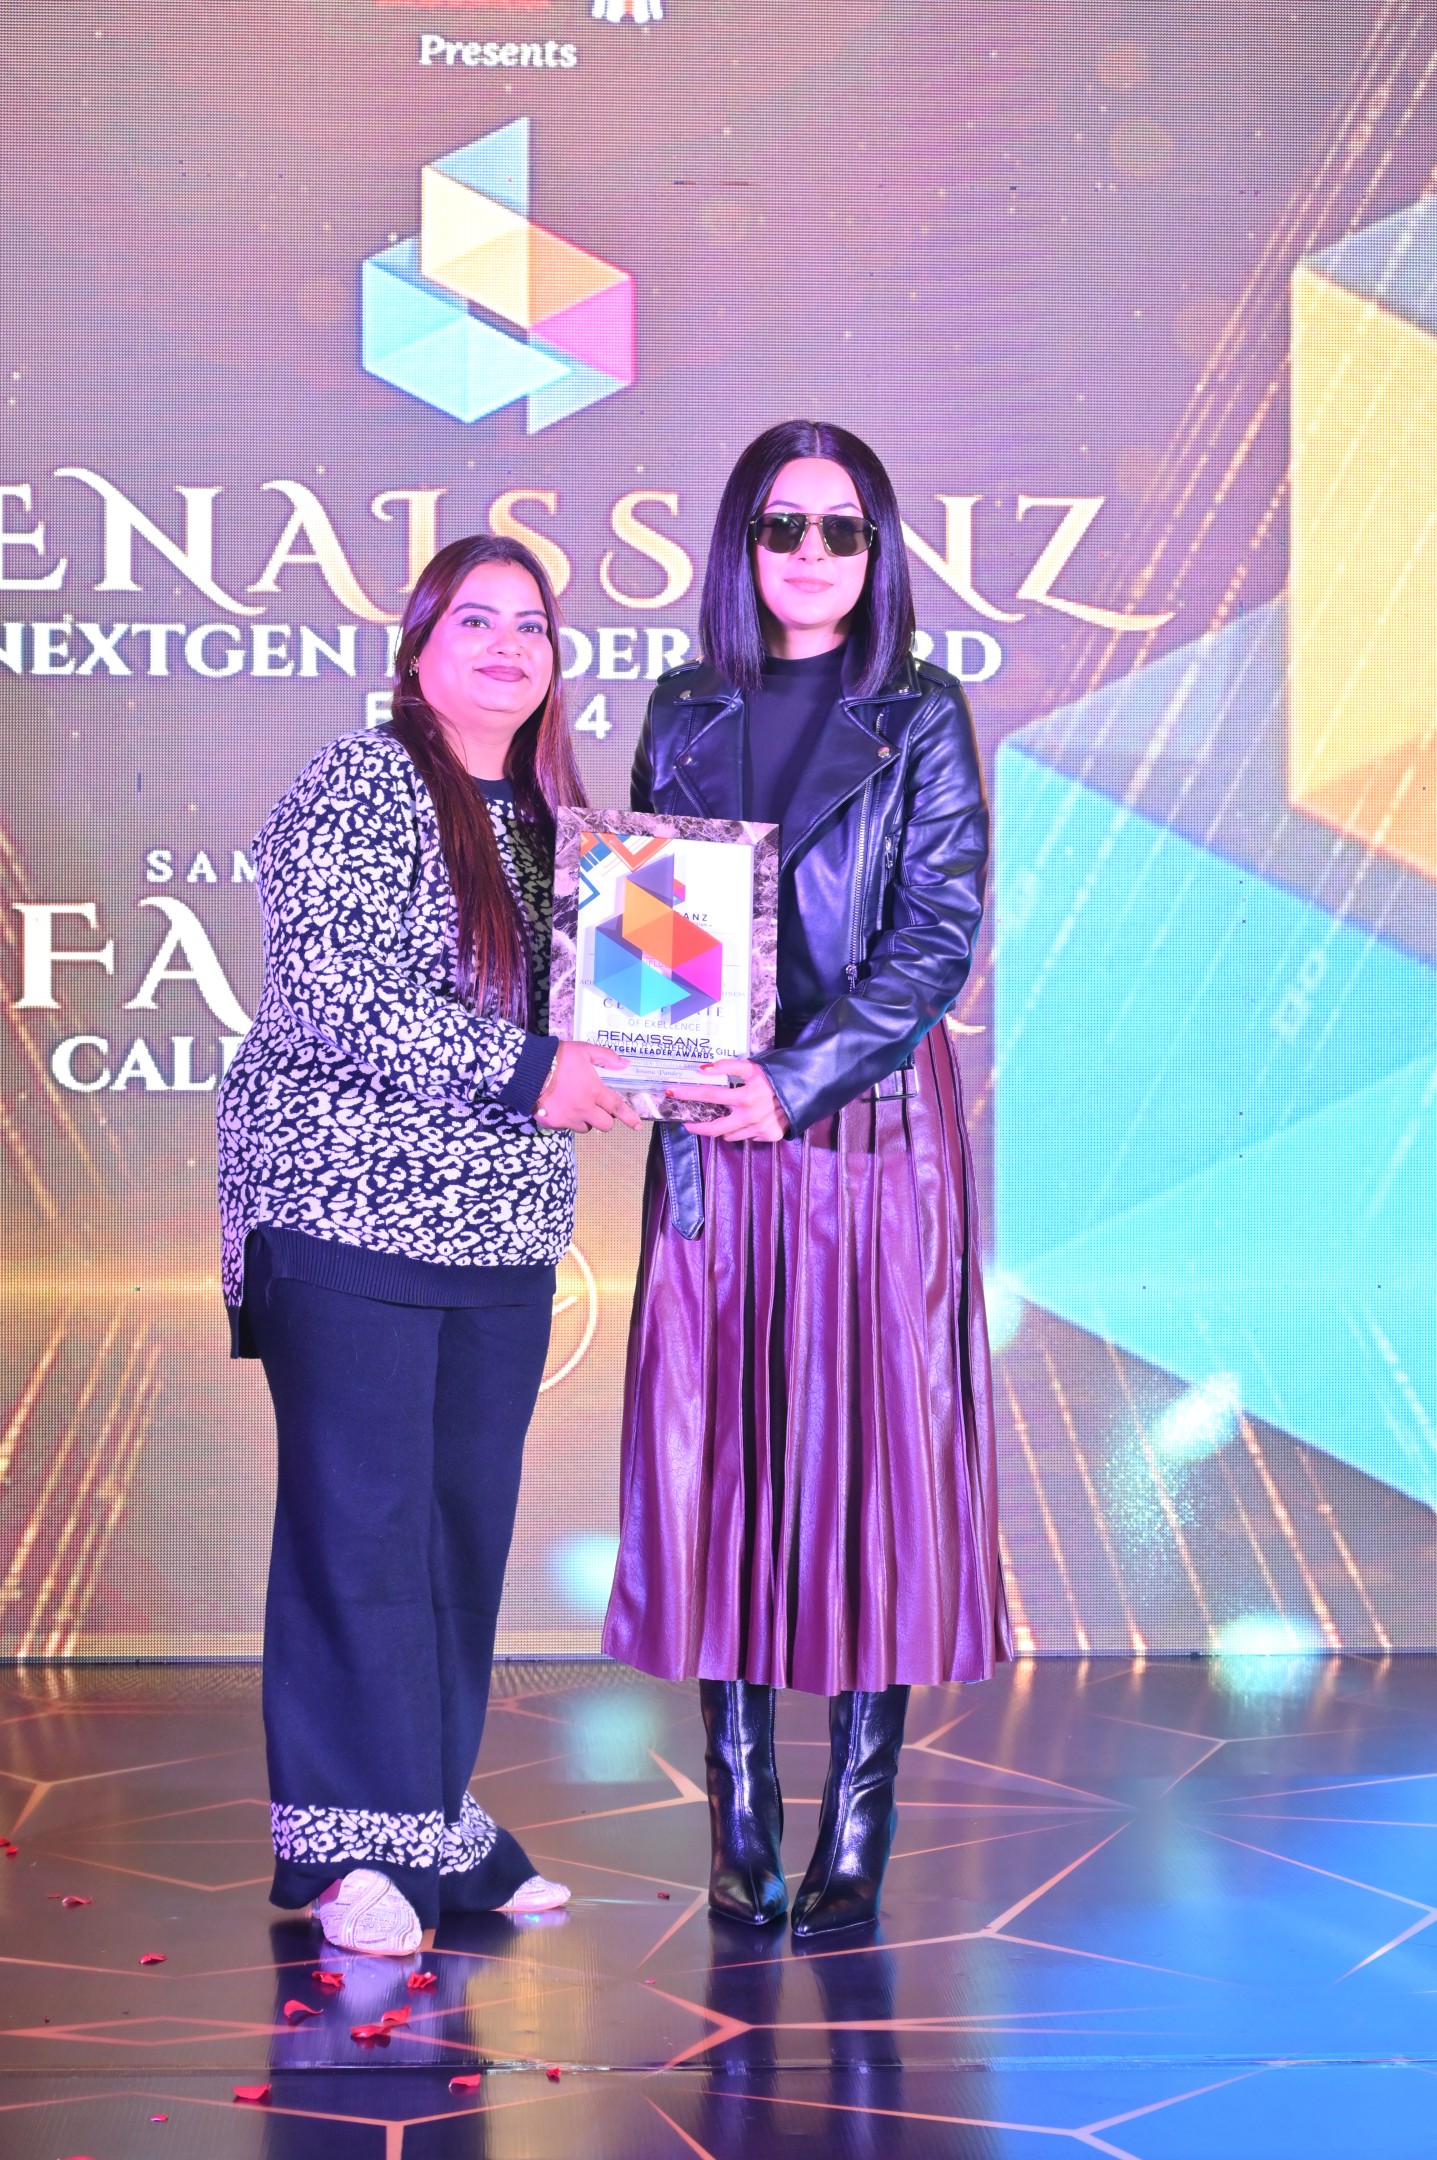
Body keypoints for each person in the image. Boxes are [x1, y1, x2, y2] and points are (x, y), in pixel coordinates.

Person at [602, 421, 1012, 1936]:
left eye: (844, 530)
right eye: (786, 526)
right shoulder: (682, 703)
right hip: (713, 1125)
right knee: (717, 1453)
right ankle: (736, 1813)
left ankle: (855, 1813)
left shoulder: (921, 709)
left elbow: (934, 939)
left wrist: (795, 1080)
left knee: (871, 1461)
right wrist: (659, 1056)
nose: (814, 556)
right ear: (743, 542)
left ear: (878, 549)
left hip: (867, 1130)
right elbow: (649, 923)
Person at [217, 535, 638, 1957]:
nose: (509, 646)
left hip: (498, 1229)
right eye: (476, 621)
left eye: (533, 625)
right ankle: (348, 1849)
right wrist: (533, 1073)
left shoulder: (565, 827)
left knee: (459, 1526)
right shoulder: (362, 781)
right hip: (343, 1210)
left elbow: (621, 1012)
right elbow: (335, 990)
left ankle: (428, 1813)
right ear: (416, 651)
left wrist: (662, 1055)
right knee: (361, 1528)